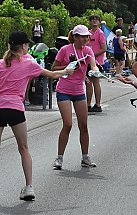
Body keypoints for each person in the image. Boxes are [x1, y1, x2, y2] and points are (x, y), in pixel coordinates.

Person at [0, 31, 74, 201]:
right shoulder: (29, 64)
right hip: (16, 109)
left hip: (0, 107)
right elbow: (52, 74)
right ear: (24, 46)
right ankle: (29, 187)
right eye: (27, 44)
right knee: (24, 148)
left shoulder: (1, 64)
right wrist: (67, 71)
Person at [52, 25, 99, 170]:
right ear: (76, 37)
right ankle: (59, 158)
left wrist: (95, 71)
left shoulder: (88, 50)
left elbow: (93, 65)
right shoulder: (65, 50)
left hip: (79, 91)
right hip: (64, 90)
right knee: (67, 124)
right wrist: (67, 68)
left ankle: (85, 157)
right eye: (84, 36)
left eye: (87, 36)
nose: (86, 39)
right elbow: (54, 67)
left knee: (83, 126)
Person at [86, 14, 106, 112]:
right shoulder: (88, 33)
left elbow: (104, 48)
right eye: (92, 20)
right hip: (88, 61)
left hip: (97, 62)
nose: (94, 21)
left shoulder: (100, 33)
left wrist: (93, 55)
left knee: (96, 82)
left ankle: (98, 104)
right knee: (88, 82)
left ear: (99, 22)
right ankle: (88, 104)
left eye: (96, 19)